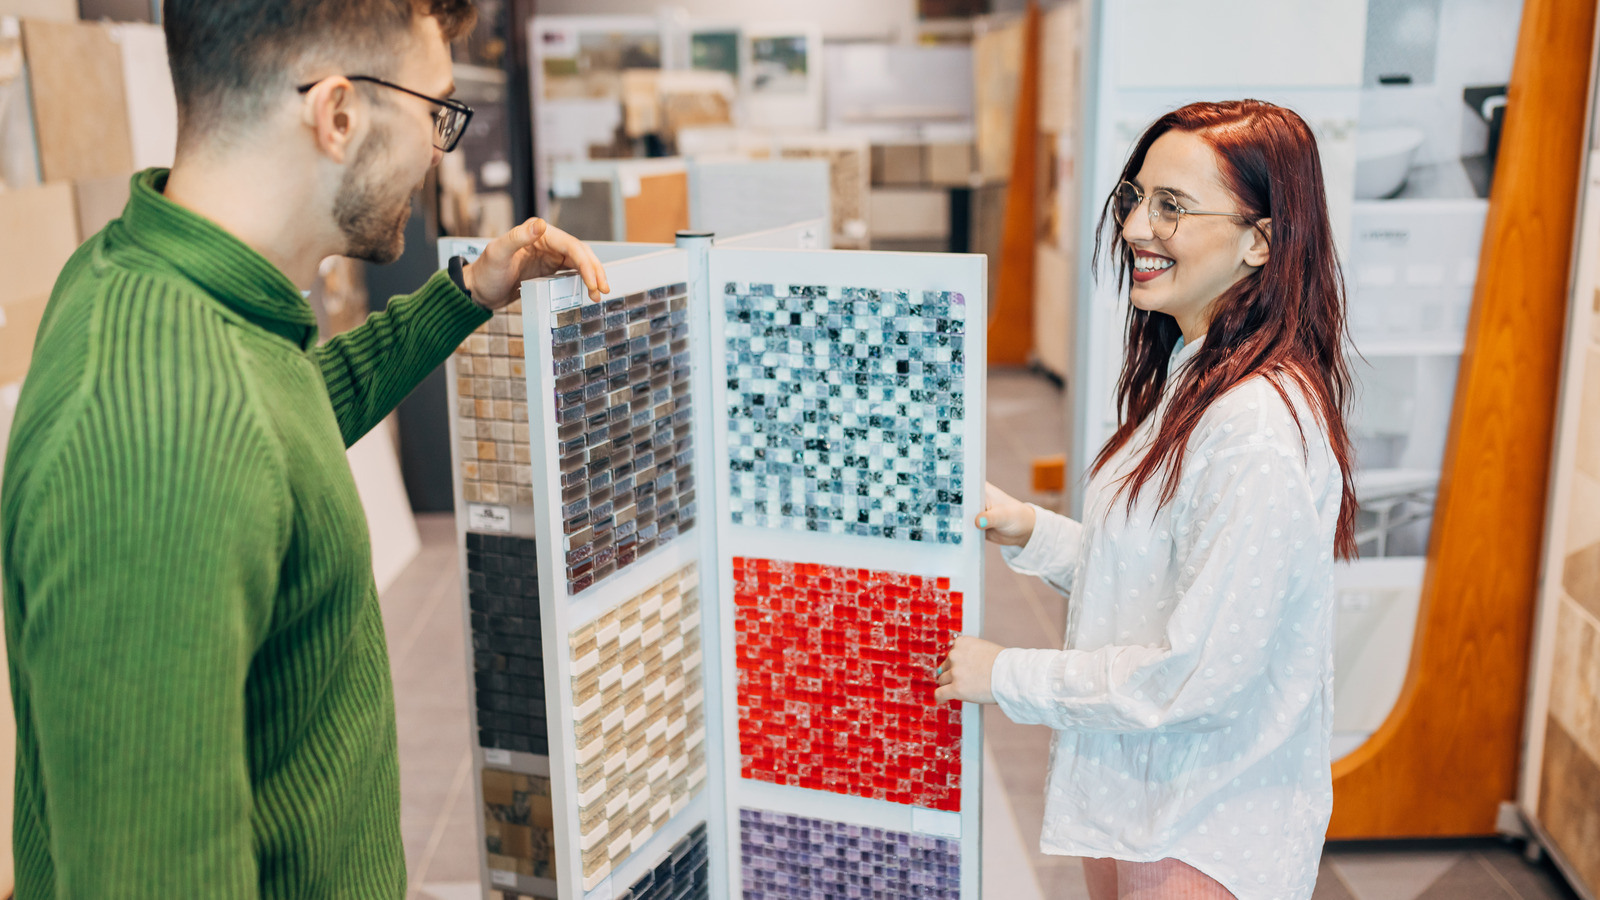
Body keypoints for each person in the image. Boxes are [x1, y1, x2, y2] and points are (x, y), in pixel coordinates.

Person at [0, 1, 608, 896]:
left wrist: (468, 293)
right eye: (435, 113)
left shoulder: (158, 285)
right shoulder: (156, 433)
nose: (441, 153)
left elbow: (279, 432)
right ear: (338, 115)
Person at [935, 99, 1359, 900]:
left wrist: (1009, 674)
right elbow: (1163, 574)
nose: (1134, 229)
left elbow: (1199, 673)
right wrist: (1032, 532)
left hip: (1207, 828)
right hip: (1153, 803)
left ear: (1260, 240)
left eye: (1172, 207)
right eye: (1135, 198)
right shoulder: (1199, 372)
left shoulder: (1253, 427)